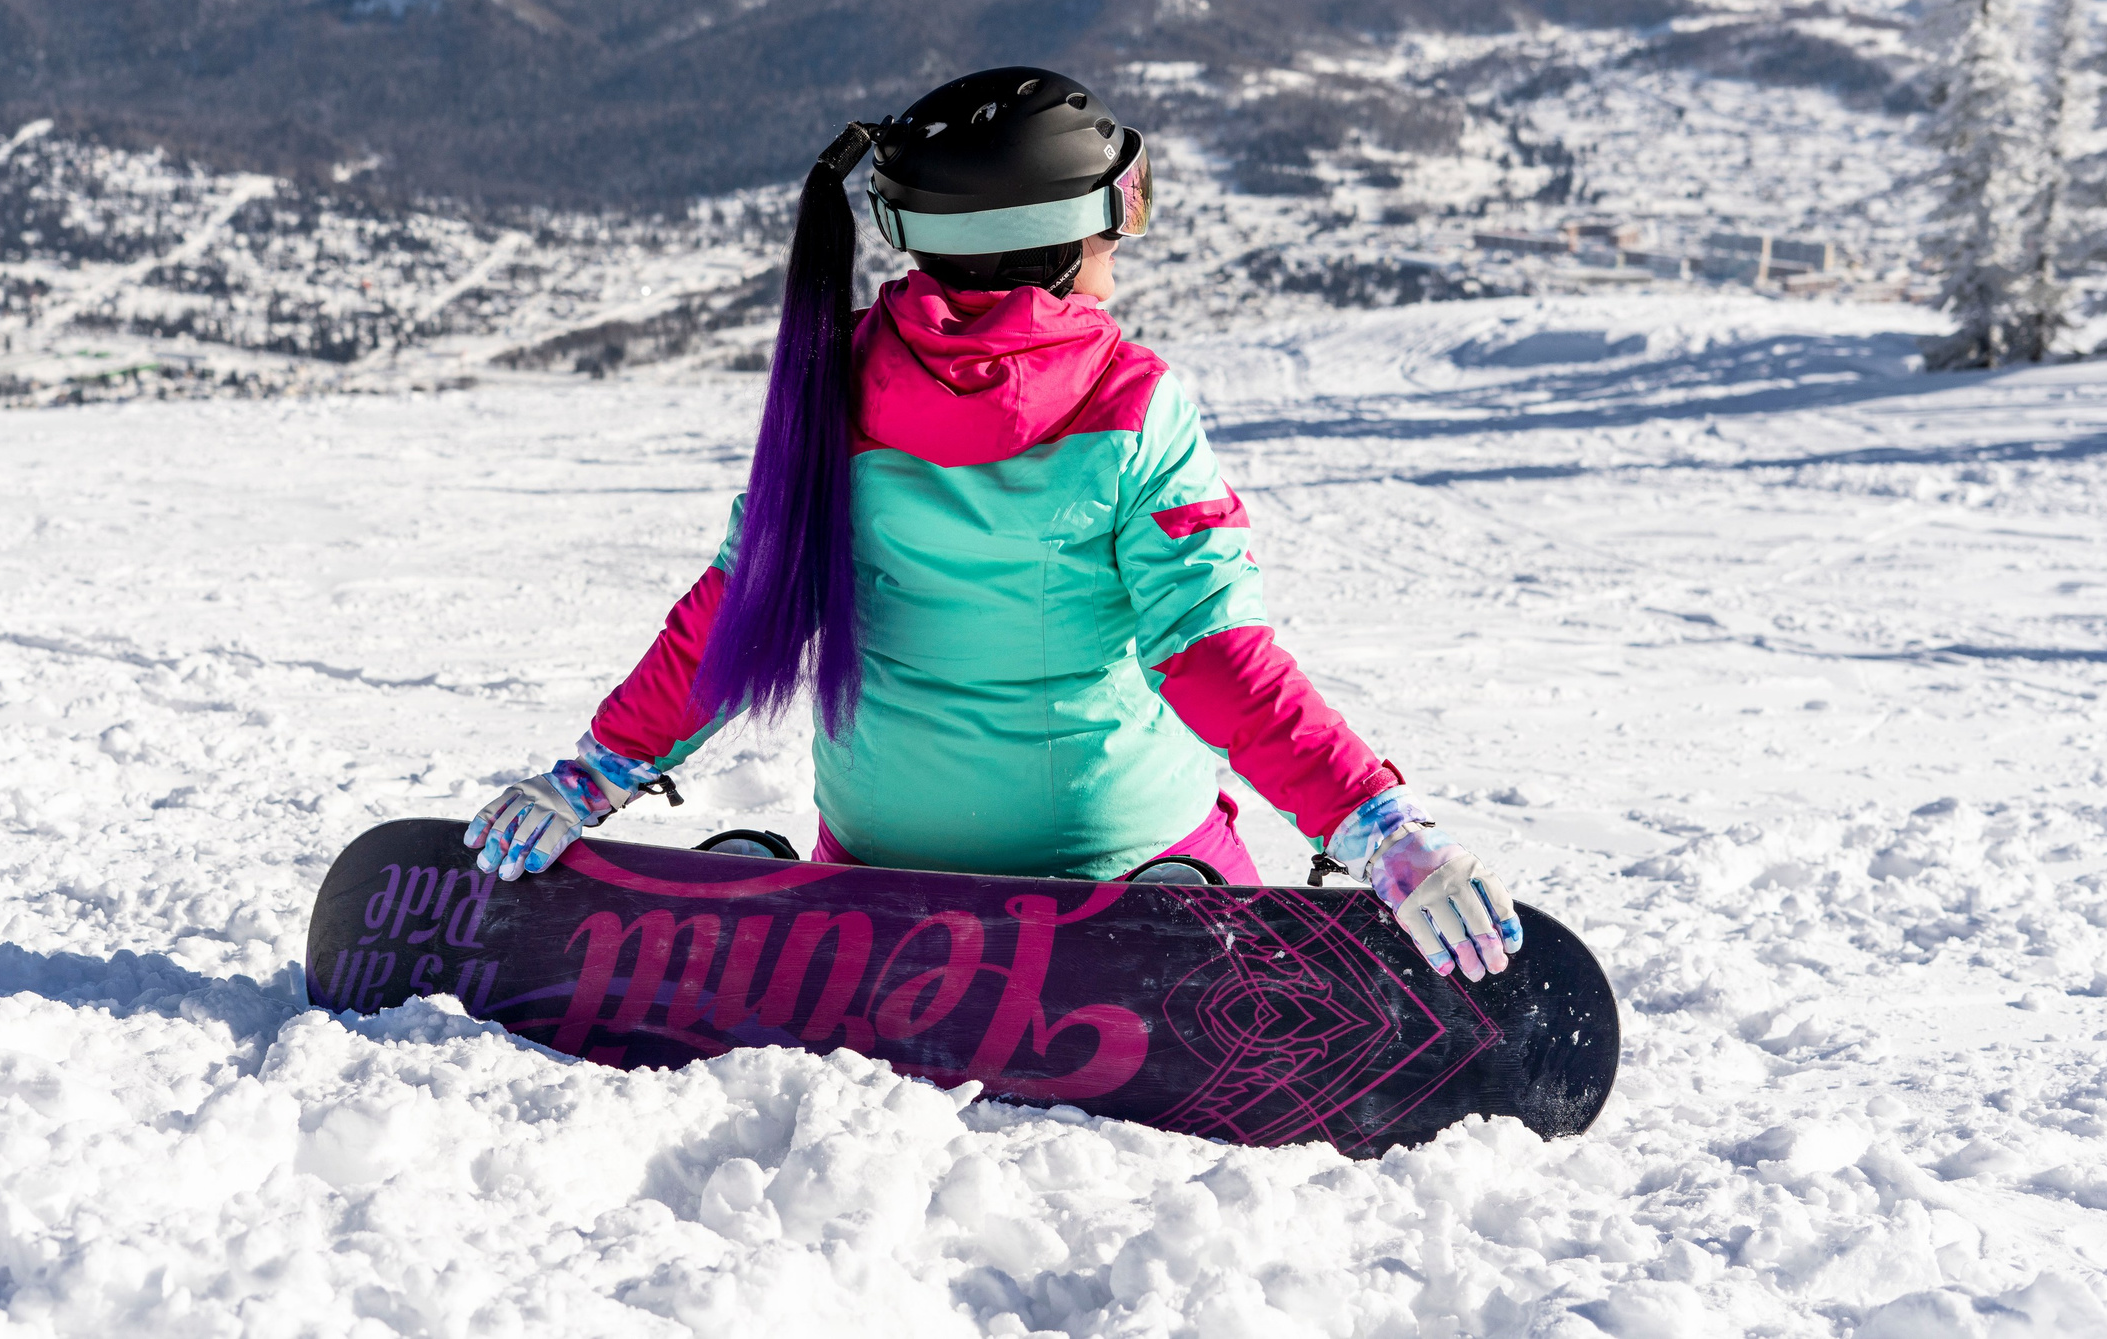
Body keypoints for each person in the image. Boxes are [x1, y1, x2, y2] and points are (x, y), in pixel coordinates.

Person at [465, 68, 1522, 983]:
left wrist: (591, 775)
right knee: (1194, 875)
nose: (1122, 238)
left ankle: (778, 911)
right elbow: (1210, 653)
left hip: (882, 856)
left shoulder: (827, 384)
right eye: (1120, 208)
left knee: (838, 866)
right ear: (1053, 232)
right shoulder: (1130, 402)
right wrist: (1376, 825)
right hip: (1105, 849)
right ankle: (1174, 907)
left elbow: (736, 616)